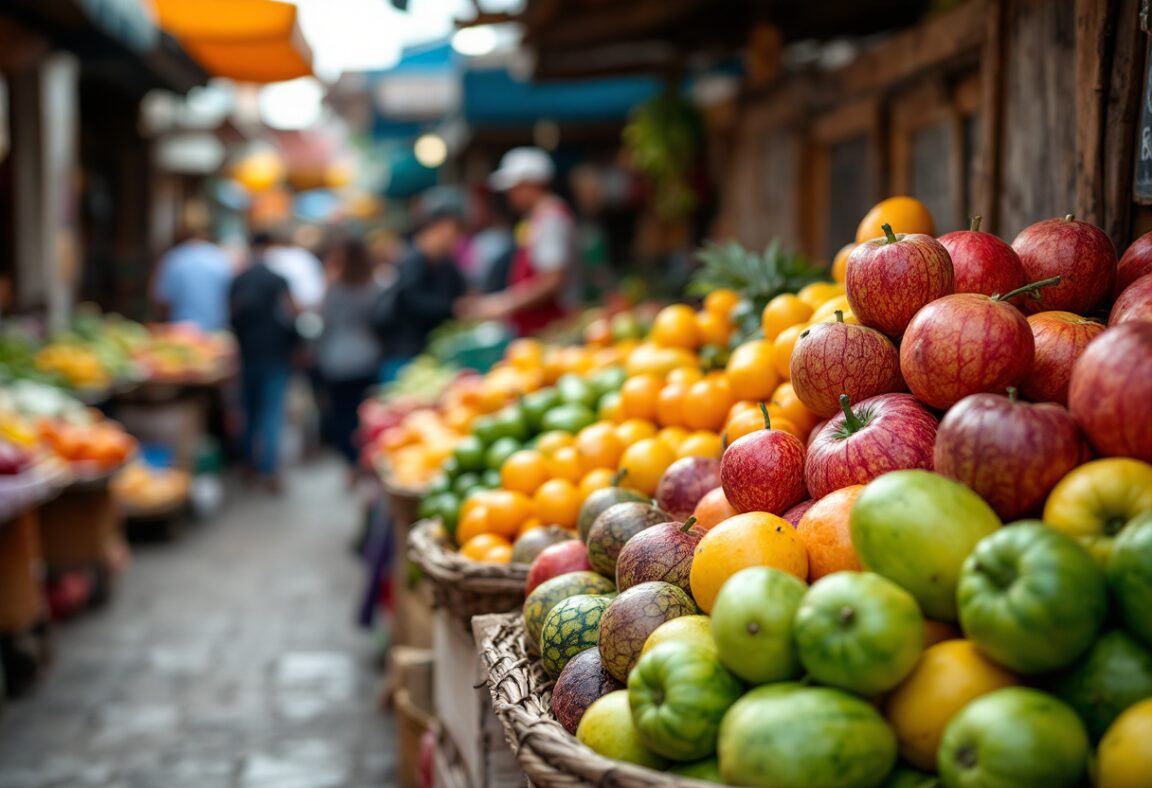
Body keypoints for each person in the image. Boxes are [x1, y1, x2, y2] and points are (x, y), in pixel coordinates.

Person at [460, 147, 578, 334]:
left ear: (531, 184)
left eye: (514, 189)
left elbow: (553, 279)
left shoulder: (551, 219)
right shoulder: (537, 218)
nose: (509, 196)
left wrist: (504, 303)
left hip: (551, 325)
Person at [229, 232, 298, 491]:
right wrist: (296, 345)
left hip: (247, 353)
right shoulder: (277, 279)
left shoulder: (239, 279)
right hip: (274, 354)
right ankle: (268, 469)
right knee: (271, 412)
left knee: (249, 410)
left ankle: (249, 464)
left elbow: (231, 315)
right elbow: (291, 315)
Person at [315, 237, 384, 479]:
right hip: (367, 355)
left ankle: (350, 461)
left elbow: (325, 323)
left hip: (337, 359)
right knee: (365, 412)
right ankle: (366, 458)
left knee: (342, 414)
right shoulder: (373, 286)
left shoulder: (334, 288)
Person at [380, 207, 467, 380]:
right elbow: (415, 300)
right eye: (451, 231)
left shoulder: (446, 264)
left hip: (434, 349)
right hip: (409, 352)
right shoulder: (413, 261)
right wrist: (453, 307)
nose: (455, 239)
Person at [151, 226, 234, 331]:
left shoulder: (174, 258)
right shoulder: (220, 257)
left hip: (181, 327)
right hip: (216, 327)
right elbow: (231, 294)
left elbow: (161, 299)